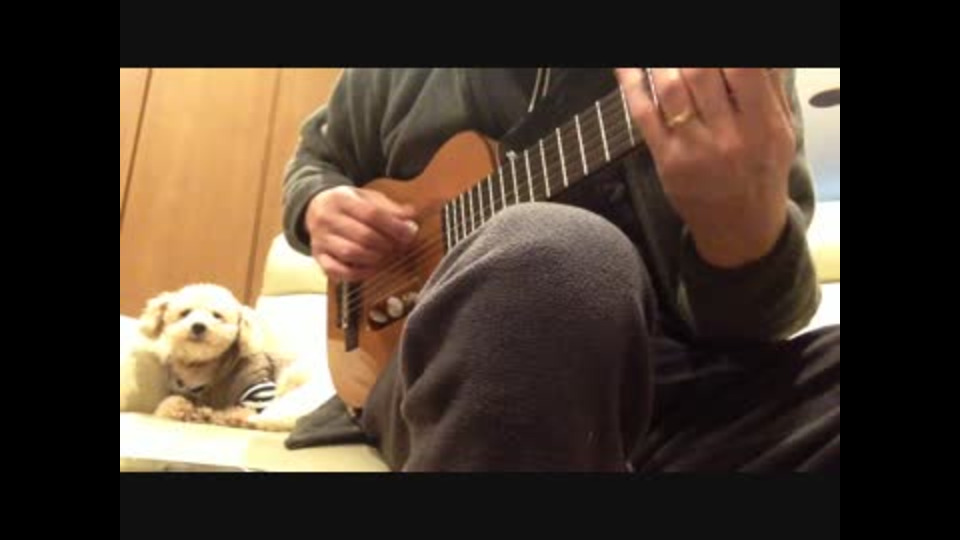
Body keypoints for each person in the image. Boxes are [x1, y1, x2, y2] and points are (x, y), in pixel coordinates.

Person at [280, 68, 840, 472]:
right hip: (437, 373)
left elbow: (761, 326)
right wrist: (317, 203)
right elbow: (315, 158)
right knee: (554, 256)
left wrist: (742, 226)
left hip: (682, 394)